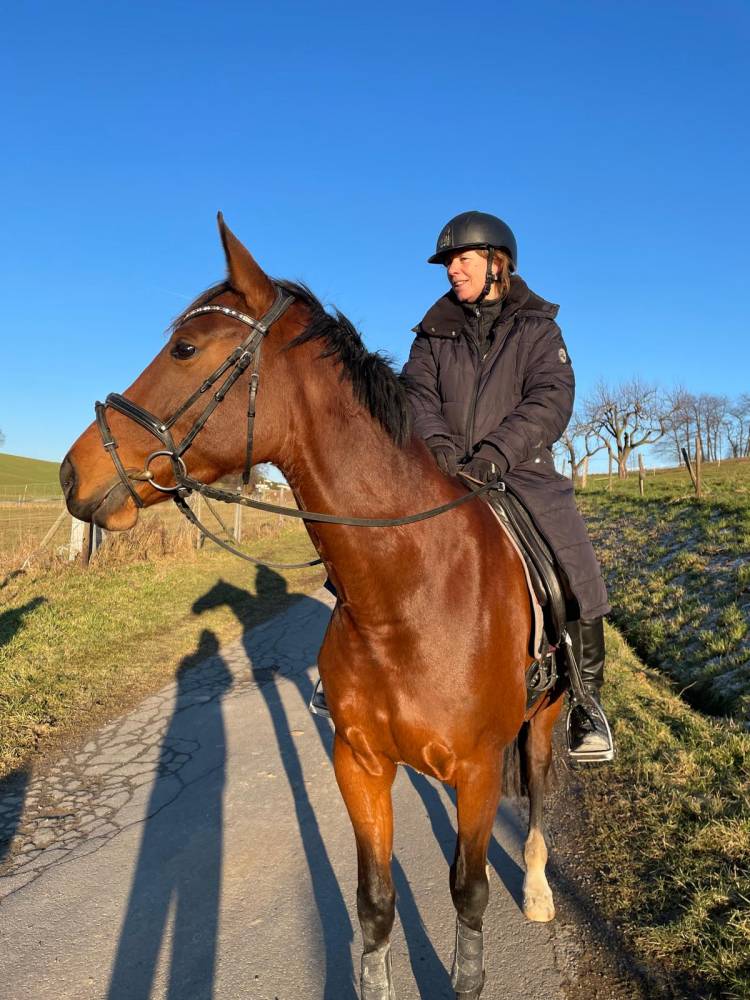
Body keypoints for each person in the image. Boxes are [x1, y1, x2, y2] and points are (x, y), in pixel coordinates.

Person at [400, 211, 613, 762]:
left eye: (462, 258)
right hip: (444, 470)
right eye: (448, 262)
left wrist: (495, 455)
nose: (452, 269)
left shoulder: (538, 328)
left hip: (521, 471)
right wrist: (440, 451)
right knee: (377, 544)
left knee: (574, 567)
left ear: (498, 263)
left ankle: (586, 701)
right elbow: (416, 395)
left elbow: (551, 397)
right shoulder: (431, 332)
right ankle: (349, 667)